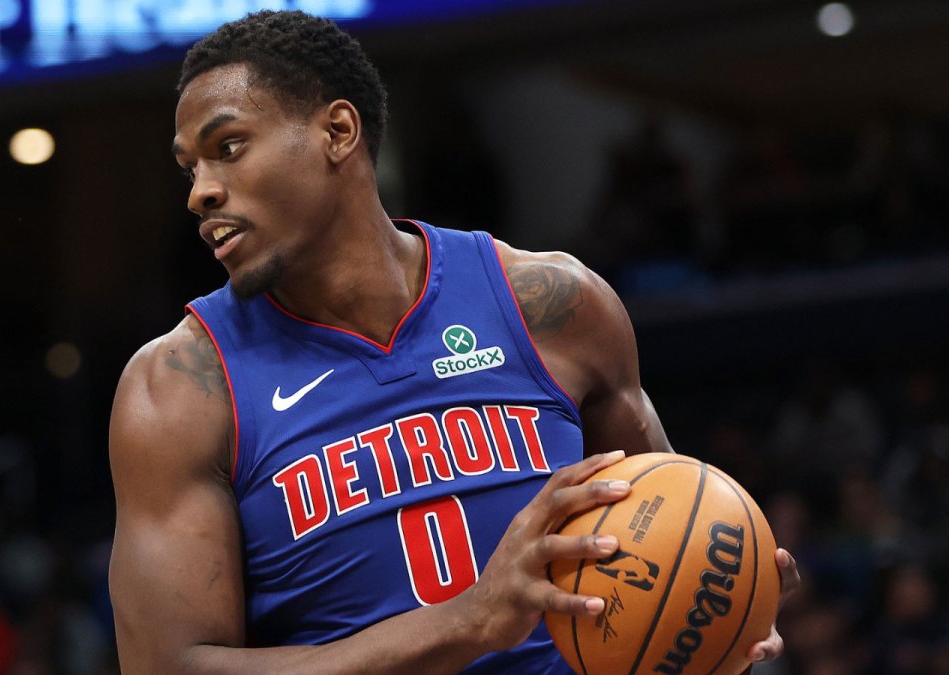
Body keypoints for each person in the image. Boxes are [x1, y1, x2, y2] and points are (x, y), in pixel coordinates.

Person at [108, 10, 799, 673]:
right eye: (190, 168)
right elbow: (169, 667)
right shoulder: (177, 389)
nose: (200, 192)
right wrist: (468, 621)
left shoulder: (554, 305)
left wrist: (725, 604)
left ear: (338, 132)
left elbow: (667, 540)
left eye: (228, 149)